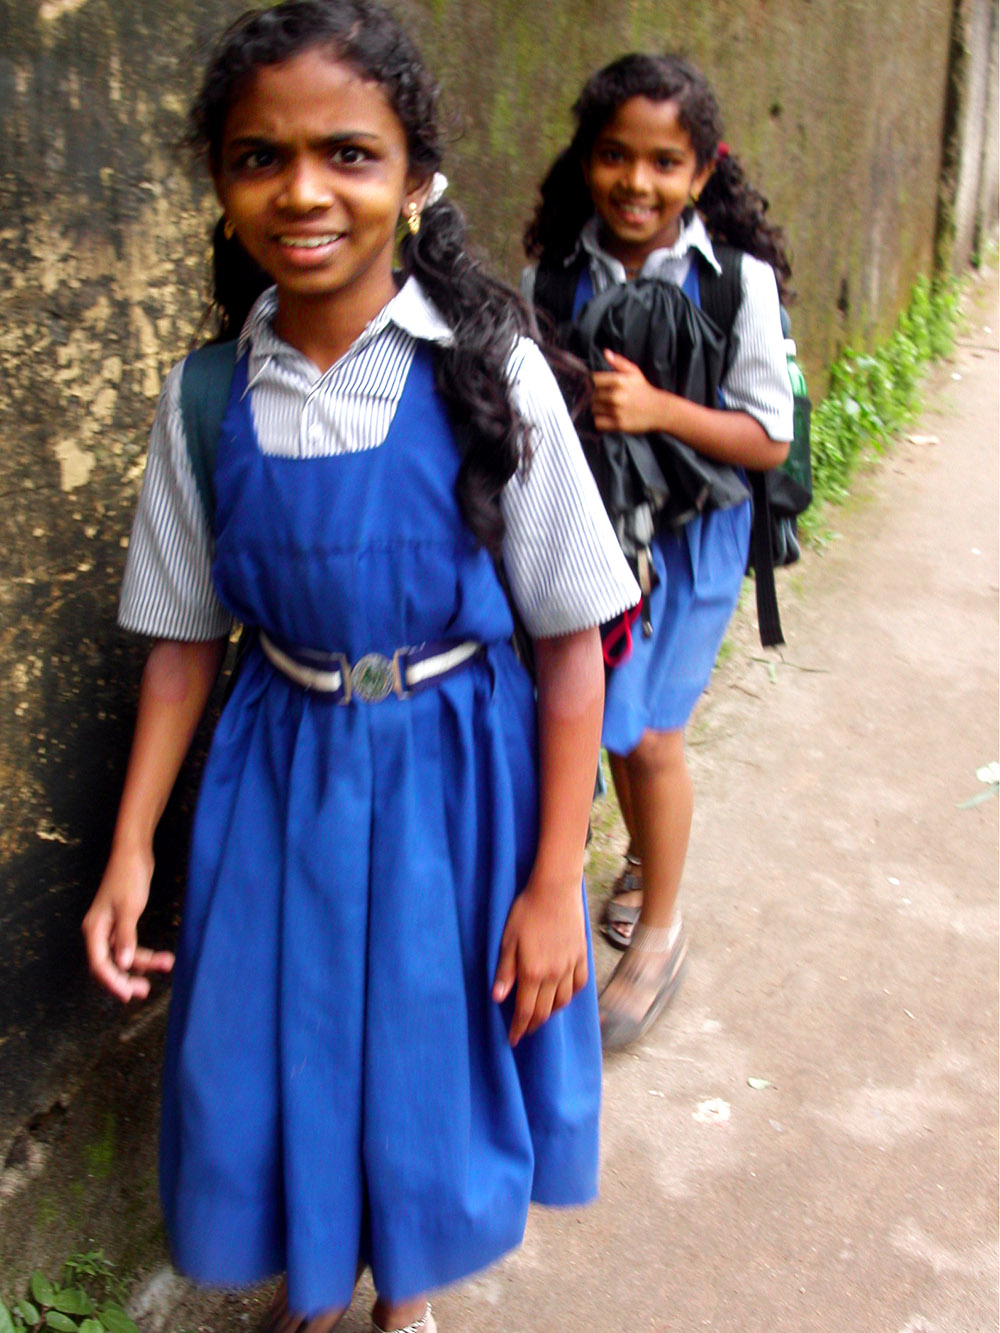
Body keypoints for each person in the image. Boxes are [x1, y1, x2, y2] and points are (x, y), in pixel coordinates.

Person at [81, 4, 640, 1331]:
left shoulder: (488, 371)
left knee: (432, 1044)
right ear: (220, 185)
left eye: (349, 153)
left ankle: (409, 1297)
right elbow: (179, 642)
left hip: (462, 777)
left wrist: (557, 879)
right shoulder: (208, 395)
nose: (303, 190)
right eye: (257, 157)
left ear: (416, 179)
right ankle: (316, 1274)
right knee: (288, 1040)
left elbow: (570, 648)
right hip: (278, 775)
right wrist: (131, 850)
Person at [522, 53, 794, 1051]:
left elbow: (765, 437)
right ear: (586, 159)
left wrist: (659, 410)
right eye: (614, 156)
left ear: (701, 170)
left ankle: (662, 929)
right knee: (610, 721)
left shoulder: (738, 287)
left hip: (696, 540)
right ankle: (644, 858)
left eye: (664, 163)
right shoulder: (550, 277)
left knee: (651, 733)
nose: (637, 183)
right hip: (599, 539)